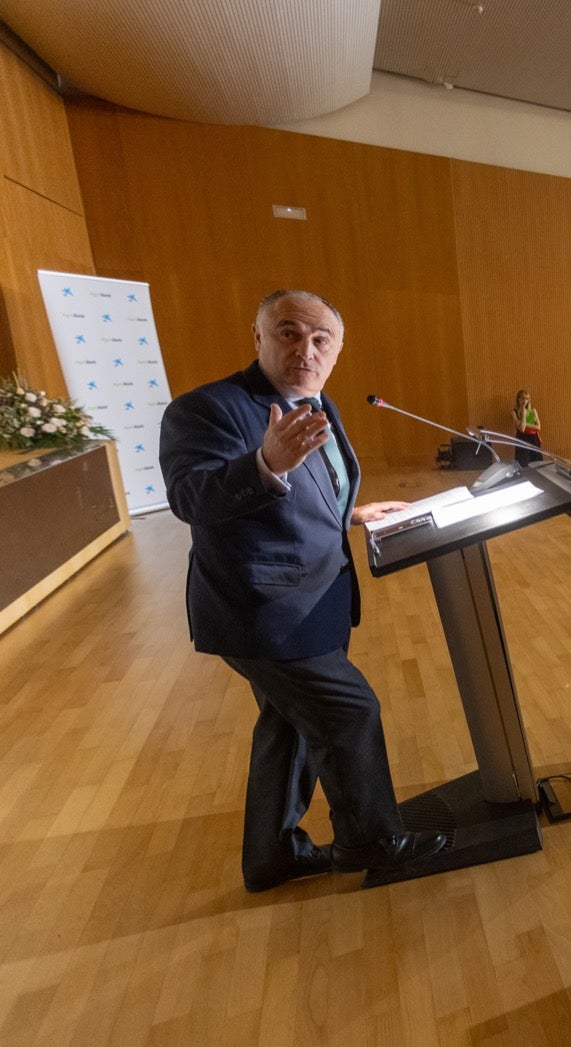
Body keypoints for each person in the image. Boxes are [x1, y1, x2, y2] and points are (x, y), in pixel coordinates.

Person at [158, 289, 446, 890]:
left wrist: (349, 513)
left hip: (313, 601)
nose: (305, 350)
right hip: (263, 612)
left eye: (322, 340)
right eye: (289, 333)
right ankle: (371, 841)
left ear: (337, 350)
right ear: (258, 336)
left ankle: (271, 854)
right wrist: (263, 464)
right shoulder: (207, 409)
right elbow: (192, 499)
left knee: (288, 726)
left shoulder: (319, 404)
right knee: (350, 710)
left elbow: (308, 493)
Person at [512, 389, 542, 464]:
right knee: (523, 461)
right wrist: (524, 414)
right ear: (518, 399)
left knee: (536, 461)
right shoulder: (514, 412)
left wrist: (525, 425)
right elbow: (522, 429)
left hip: (534, 438)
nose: (524, 401)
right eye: (522, 398)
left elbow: (538, 427)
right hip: (522, 438)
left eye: (527, 398)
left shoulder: (533, 410)